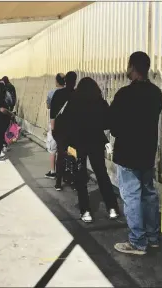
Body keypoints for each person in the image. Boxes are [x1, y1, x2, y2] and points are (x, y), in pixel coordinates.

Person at [109, 51, 162, 255]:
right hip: (147, 152)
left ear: (132, 67)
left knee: (132, 196)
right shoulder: (155, 93)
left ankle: (137, 241)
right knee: (149, 195)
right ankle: (153, 236)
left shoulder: (124, 94)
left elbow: (113, 125)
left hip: (127, 153)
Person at [63, 77, 120, 223]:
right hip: (95, 142)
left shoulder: (73, 102)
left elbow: (65, 123)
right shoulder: (99, 102)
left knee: (80, 177)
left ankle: (86, 211)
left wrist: (67, 144)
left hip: (78, 144)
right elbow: (107, 122)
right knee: (101, 174)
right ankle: (112, 208)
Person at [51, 71, 77, 191]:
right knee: (75, 155)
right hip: (73, 130)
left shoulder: (58, 93)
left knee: (61, 154)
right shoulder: (77, 94)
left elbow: (53, 113)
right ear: (75, 81)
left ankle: (58, 182)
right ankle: (75, 180)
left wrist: (52, 128)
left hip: (60, 129)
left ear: (65, 81)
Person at [45, 73, 65, 179]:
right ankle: (63, 172)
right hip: (66, 124)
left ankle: (53, 172)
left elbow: (48, 106)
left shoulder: (52, 93)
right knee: (63, 149)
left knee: (53, 149)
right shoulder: (70, 92)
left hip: (54, 123)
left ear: (56, 81)